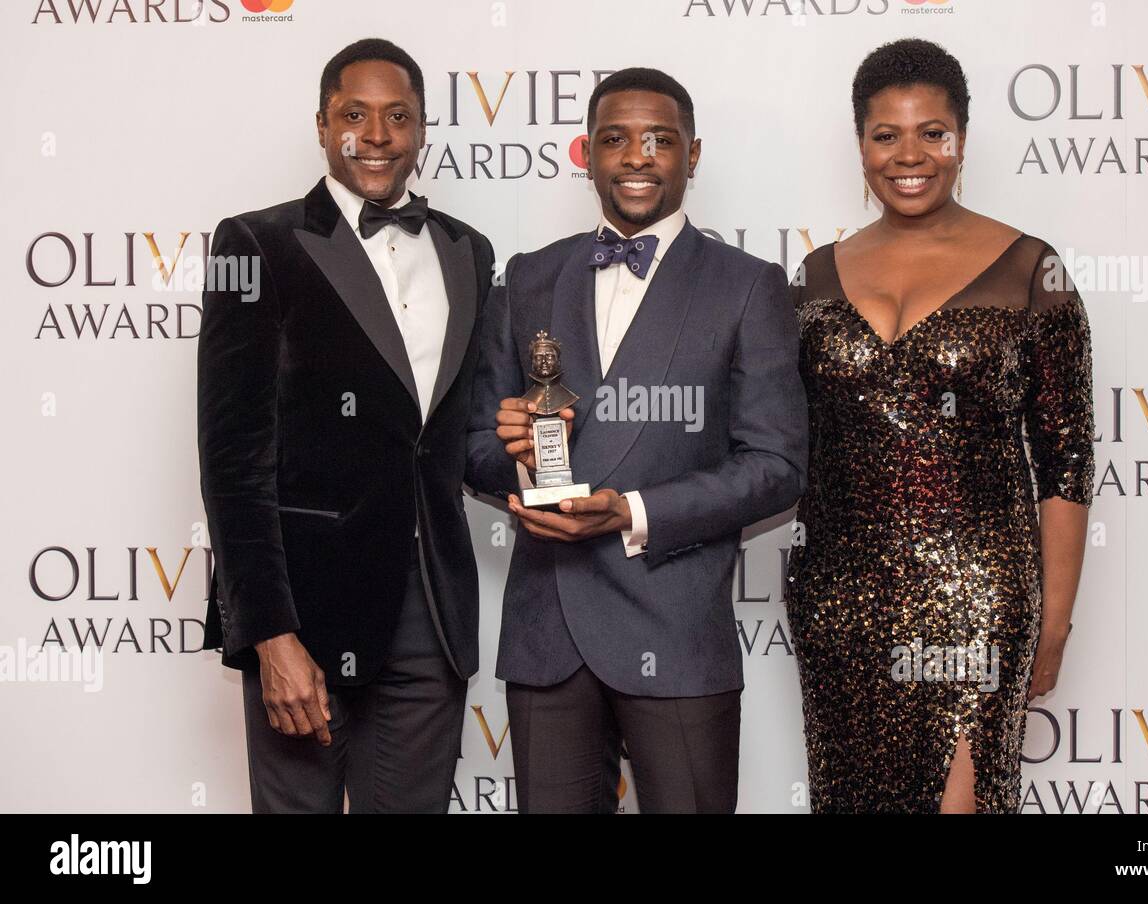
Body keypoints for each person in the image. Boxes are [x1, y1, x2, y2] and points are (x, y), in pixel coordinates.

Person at [466, 67, 807, 814]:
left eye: (660, 139)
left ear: (693, 153)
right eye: (615, 139)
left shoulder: (748, 285)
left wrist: (633, 512)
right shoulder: (528, 277)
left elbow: (776, 467)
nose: (636, 157)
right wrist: (519, 456)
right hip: (547, 632)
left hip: (676, 627)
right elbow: (475, 452)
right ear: (588, 153)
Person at [787, 38, 1095, 813]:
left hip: (977, 592)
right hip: (839, 596)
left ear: (964, 138)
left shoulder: (1033, 270)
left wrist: (1053, 623)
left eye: (933, 132)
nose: (909, 155)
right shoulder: (816, 276)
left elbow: (1064, 458)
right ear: (859, 145)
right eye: (885, 135)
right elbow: (779, 432)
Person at [197, 38, 495, 813]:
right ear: (323, 126)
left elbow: (451, 439)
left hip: (432, 612)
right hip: (307, 617)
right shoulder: (256, 244)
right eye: (354, 114)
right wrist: (269, 634)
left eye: (398, 116)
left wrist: (539, 452)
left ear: (423, 130)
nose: (377, 134)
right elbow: (232, 462)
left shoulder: (469, 251)